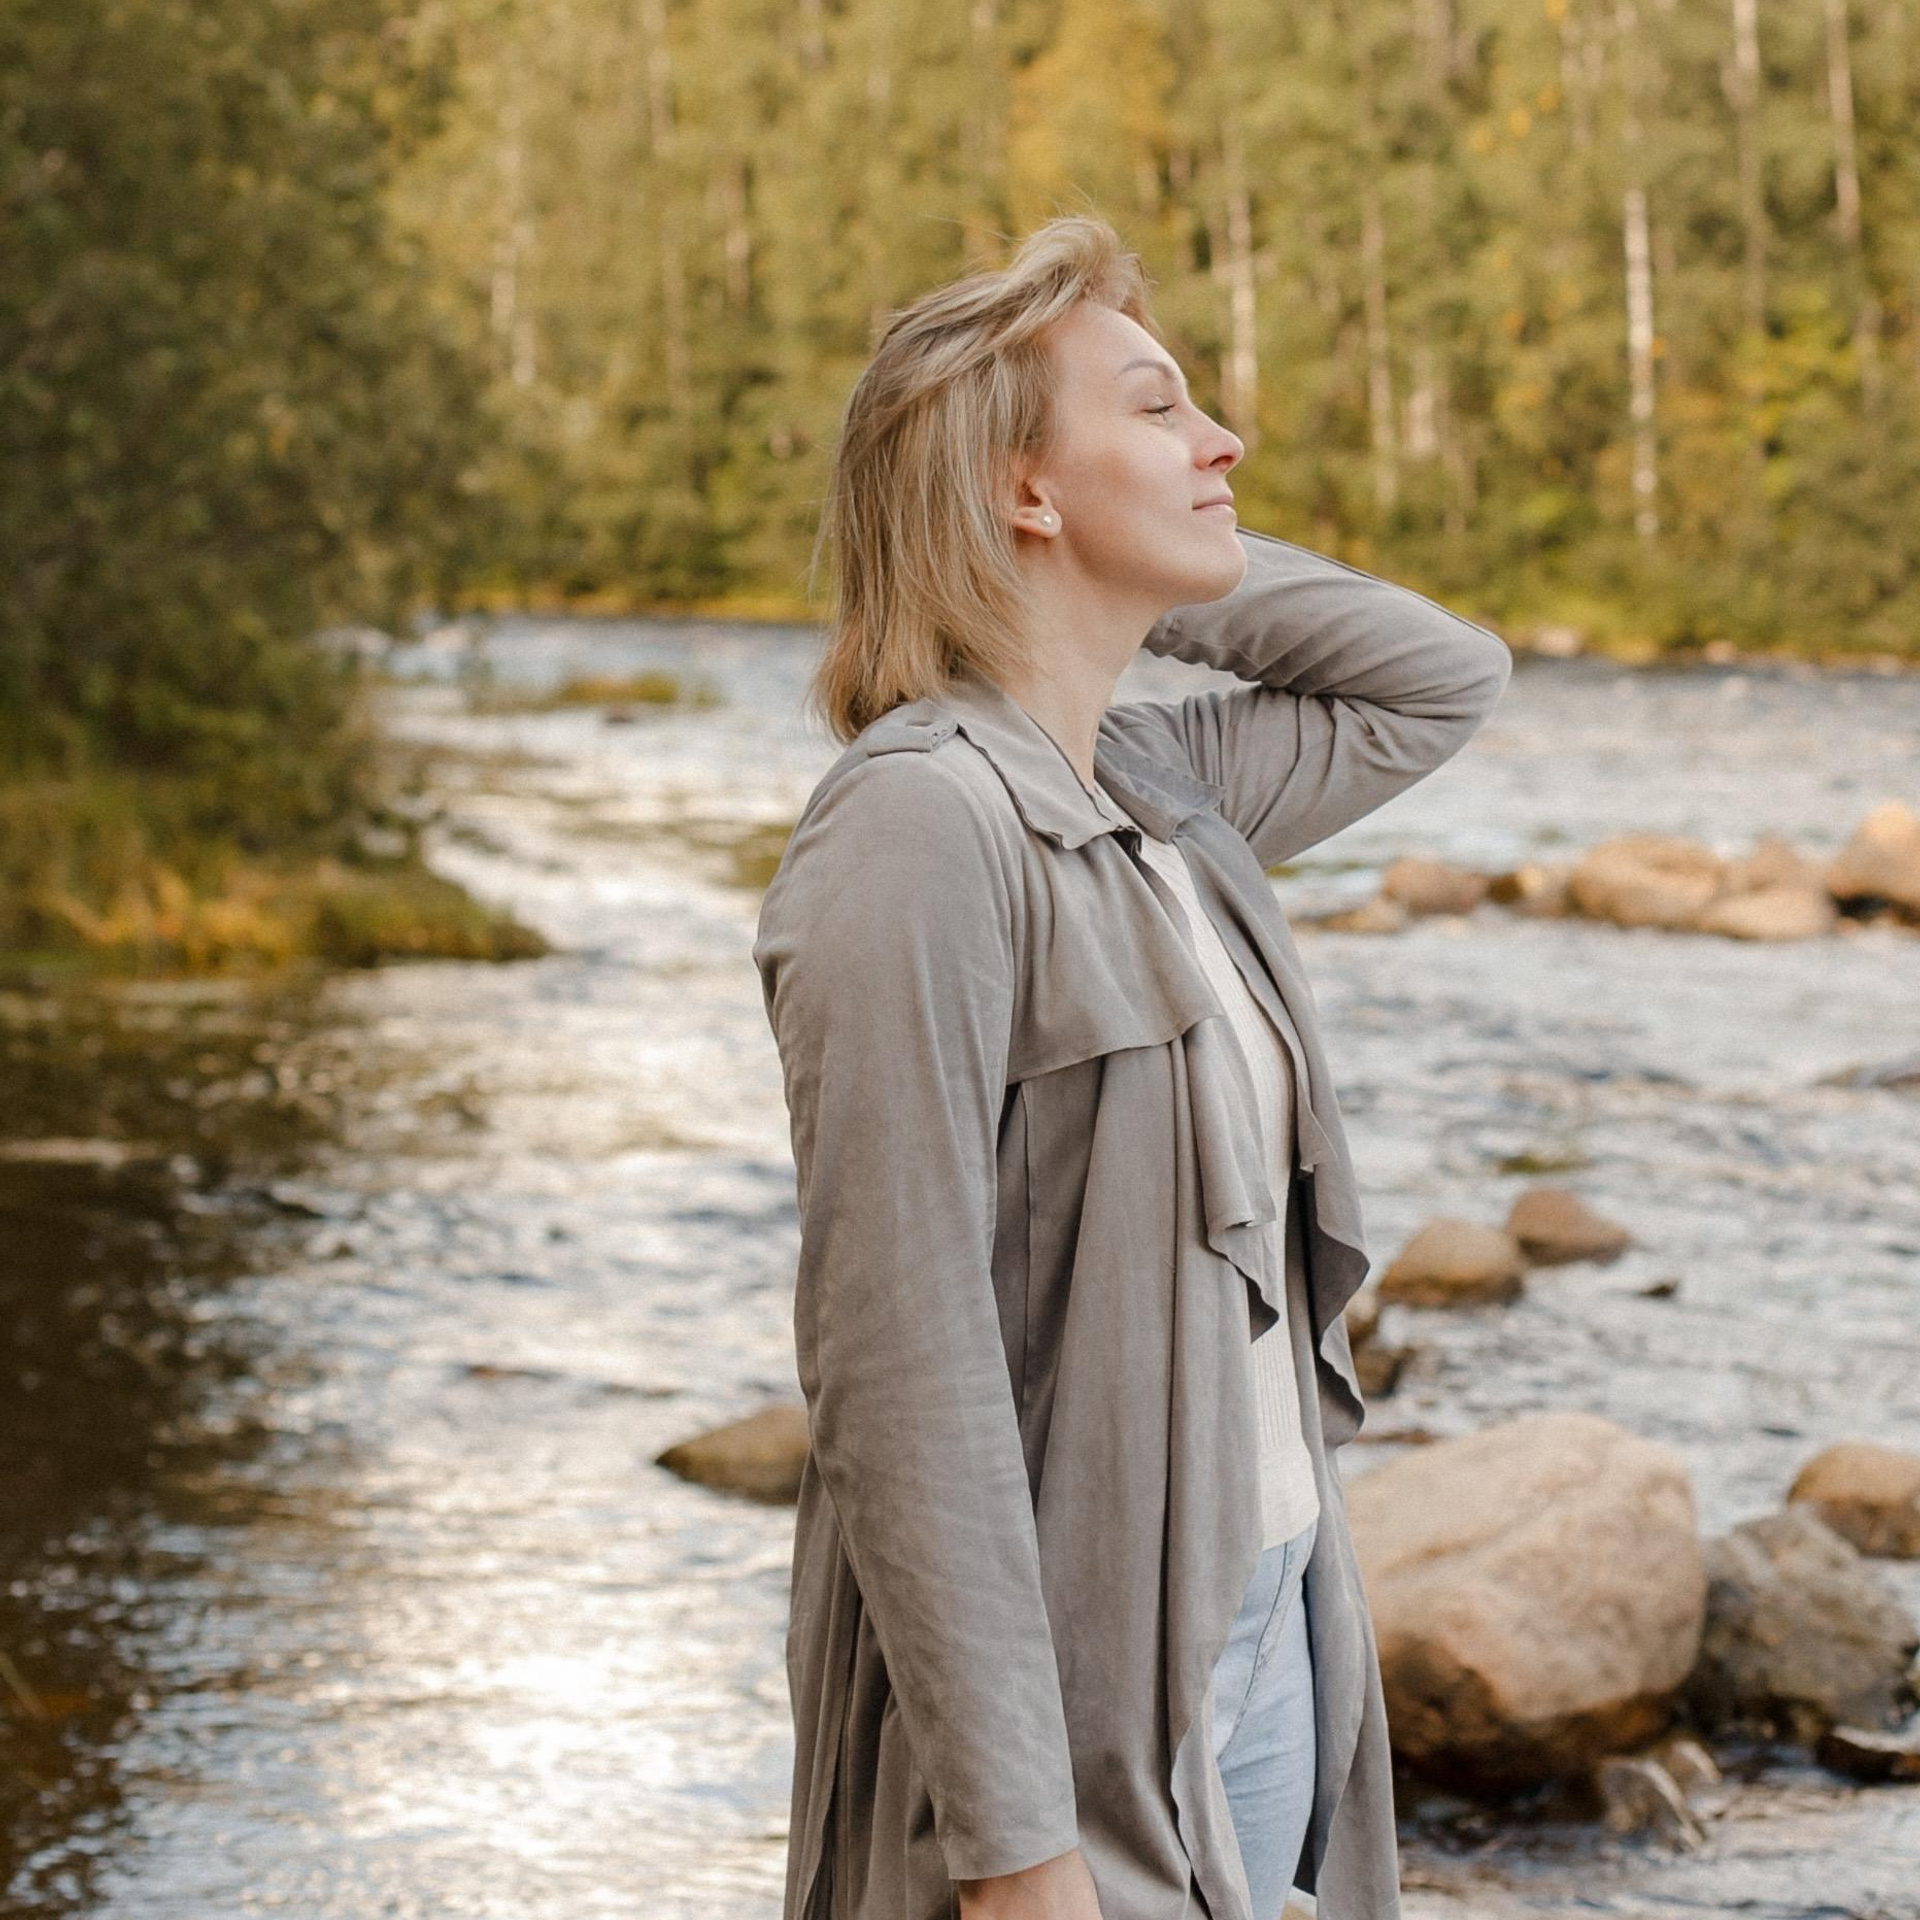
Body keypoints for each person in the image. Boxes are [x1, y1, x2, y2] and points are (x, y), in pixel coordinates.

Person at [752, 214, 1512, 1920]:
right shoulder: (919, 828)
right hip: (1071, 1711)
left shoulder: (1158, 785)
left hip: (1267, 1614)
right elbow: (901, 1369)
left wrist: (1153, 580)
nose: (1224, 441)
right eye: (1162, 410)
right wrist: (1019, 1854)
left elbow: (1439, 678)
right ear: (1024, 490)